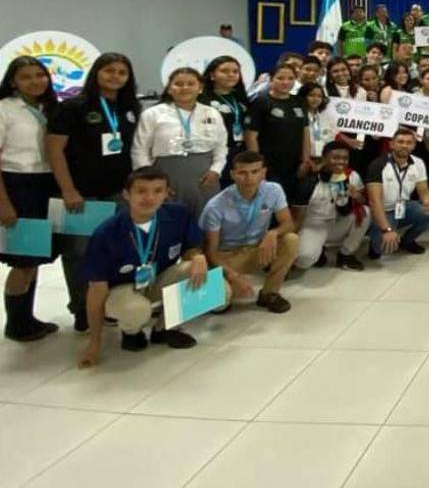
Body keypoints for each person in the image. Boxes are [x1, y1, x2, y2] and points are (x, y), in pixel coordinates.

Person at [46, 52, 140, 332]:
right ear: (96, 72)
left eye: (122, 73)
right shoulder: (73, 107)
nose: (115, 77)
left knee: (116, 250)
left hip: (118, 192)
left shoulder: (129, 107)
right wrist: (68, 189)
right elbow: (54, 151)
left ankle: (109, 304)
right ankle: (82, 309)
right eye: (109, 70)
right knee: (79, 253)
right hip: (81, 193)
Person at [77, 167, 205, 365]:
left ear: (167, 193)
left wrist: (198, 257)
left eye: (157, 191)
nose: (149, 198)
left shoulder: (178, 215)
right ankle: (131, 332)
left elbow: (191, 248)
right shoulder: (107, 233)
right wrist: (94, 343)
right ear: (127, 195)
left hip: (156, 280)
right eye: (141, 191)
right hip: (121, 291)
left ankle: (165, 328)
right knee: (136, 309)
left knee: (207, 280)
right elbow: (96, 289)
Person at [0, 57, 61, 341]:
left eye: (40, 75)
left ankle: (28, 317)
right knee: (21, 261)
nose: (35, 81)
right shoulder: (5, 110)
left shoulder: (49, 108)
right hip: (16, 185)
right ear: (13, 81)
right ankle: (15, 323)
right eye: (26, 77)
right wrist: (4, 204)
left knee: (35, 258)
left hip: (45, 185)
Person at [200, 152, 298, 313]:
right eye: (242, 173)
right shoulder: (216, 205)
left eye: (255, 171)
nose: (249, 178)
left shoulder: (274, 190)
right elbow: (211, 252)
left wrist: (272, 233)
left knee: (291, 240)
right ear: (232, 174)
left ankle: (269, 293)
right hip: (227, 257)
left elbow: (288, 224)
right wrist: (233, 276)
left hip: (257, 249)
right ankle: (224, 289)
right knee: (220, 304)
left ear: (263, 172)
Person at [132, 67, 228, 218]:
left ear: (200, 88)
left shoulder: (212, 113)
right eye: (178, 83)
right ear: (169, 89)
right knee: (167, 220)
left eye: (191, 83)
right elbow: (140, 150)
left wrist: (216, 170)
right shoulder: (153, 114)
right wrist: (152, 183)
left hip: (205, 176)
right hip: (166, 174)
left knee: (205, 222)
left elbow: (221, 147)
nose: (185, 88)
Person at [243, 64, 310, 205]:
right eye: (280, 78)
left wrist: (305, 161)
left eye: (290, 78)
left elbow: (305, 132)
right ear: (271, 80)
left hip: (294, 165)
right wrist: (257, 167)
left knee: (290, 202)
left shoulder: (298, 101)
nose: (286, 82)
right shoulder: (261, 101)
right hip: (270, 165)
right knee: (270, 205)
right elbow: (251, 136)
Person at [294, 142, 367, 271]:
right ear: (324, 159)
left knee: (365, 212)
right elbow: (297, 216)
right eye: (336, 157)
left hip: (336, 223)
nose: (341, 162)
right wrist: (294, 240)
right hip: (313, 226)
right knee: (304, 260)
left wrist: (356, 195)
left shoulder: (348, 178)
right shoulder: (309, 182)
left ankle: (345, 255)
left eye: (345, 158)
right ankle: (316, 248)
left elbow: (360, 202)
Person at [365, 128, 429, 256]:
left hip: (403, 207)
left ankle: (407, 241)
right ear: (391, 144)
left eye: (409, 142)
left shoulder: (418, 162)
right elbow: (374, 201)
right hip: (383, 210)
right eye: (400, 142)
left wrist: (428, 202)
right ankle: (377, 237)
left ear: (414, 145)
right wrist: (386, 229)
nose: (405, 145)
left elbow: (424, 190)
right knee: (381, 249)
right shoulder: (378, 165)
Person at [202, 55, 249, 182]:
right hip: (214, 154)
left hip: (240, 152)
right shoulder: (202, 100)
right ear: (212, 75)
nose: (231, 75)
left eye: (235, 71)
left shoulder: (241, 98)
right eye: (224, 71)